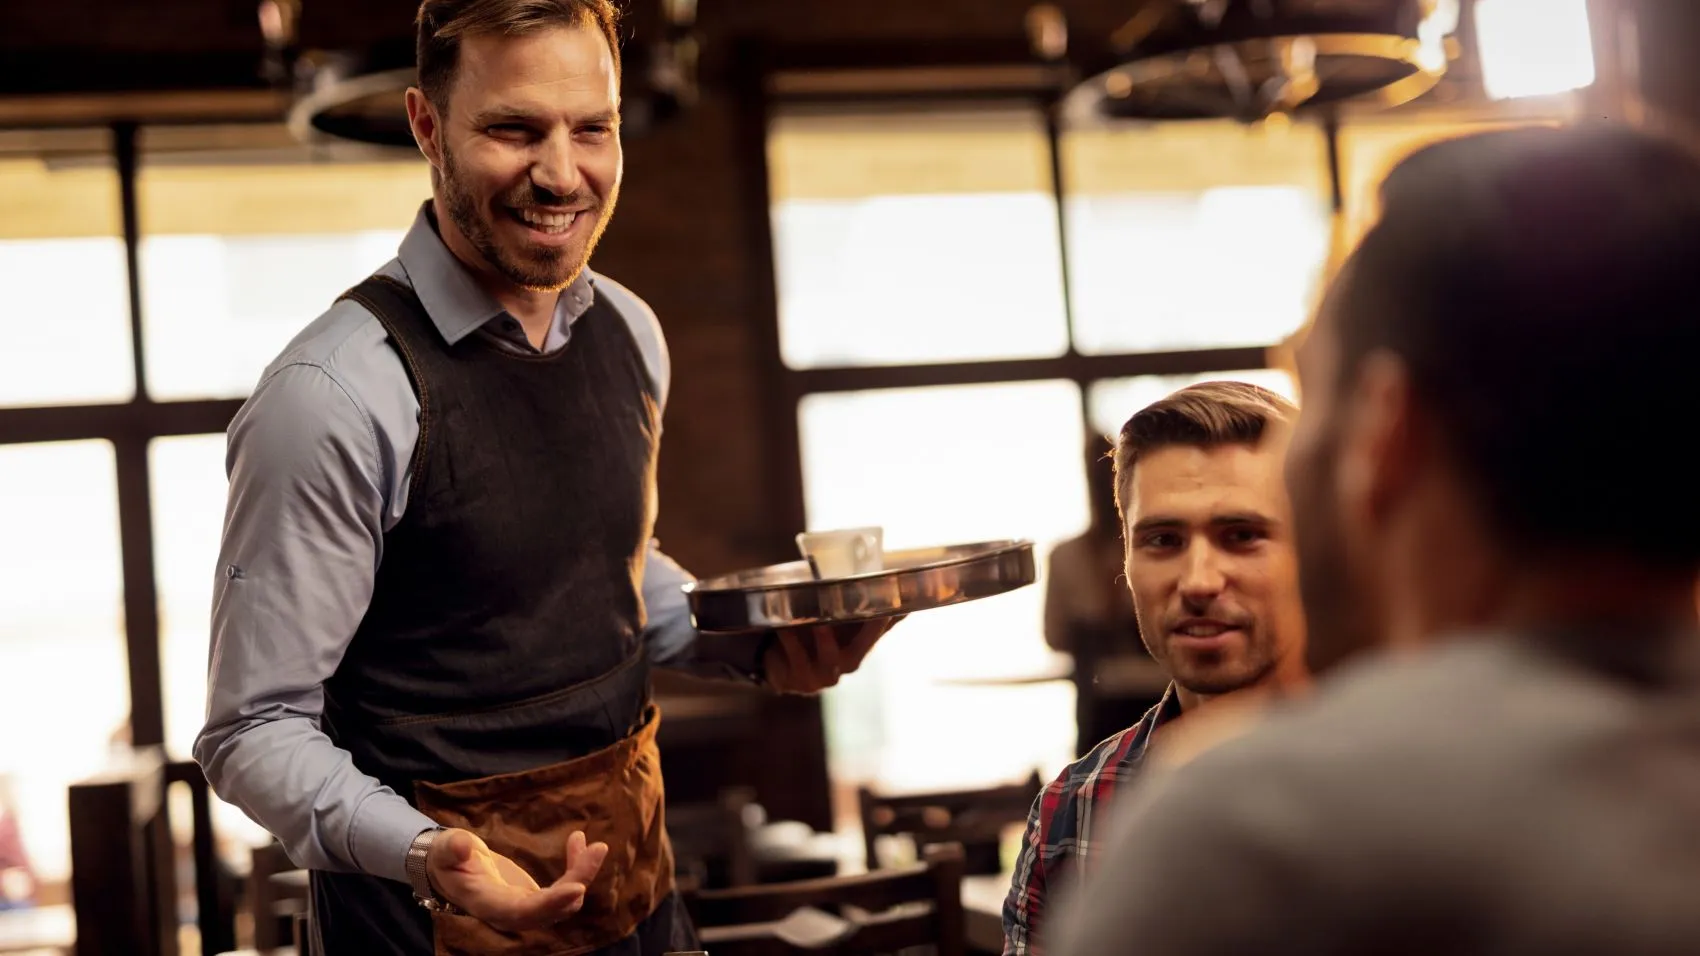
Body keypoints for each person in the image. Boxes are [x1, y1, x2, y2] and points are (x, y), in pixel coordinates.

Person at [193, 3, 894, 954]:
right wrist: (429, 851)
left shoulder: (631, 334)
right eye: (514, 129)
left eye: (592, 128)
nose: (562, 174)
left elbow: (608, 574)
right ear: (427, 127)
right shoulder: (331, 398)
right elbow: (252, 731)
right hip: (421, 931)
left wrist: (762, 646)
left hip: (640, 912)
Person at [1052, 124, 1700, 956]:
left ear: (1384, 433)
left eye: (1313, 389)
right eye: (1163, 539)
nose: (1202, 575)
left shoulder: (1258, 832)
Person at [1002, 382, 1309, 955]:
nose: (1197, 581)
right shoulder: (1070, 811)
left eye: (1241, 536)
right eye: (1163, 539)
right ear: (1126, 556)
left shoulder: (1416, 791)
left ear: (1314, 547)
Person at [1044, 437, 1160, 755]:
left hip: (1107, 701)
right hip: (1150, 695)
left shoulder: (1067, 556)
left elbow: (1055, 636)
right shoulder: (1159, 543)